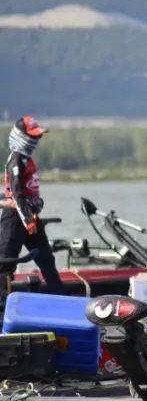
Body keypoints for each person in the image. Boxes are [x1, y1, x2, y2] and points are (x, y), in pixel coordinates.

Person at [2, 116, 64, 295]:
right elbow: (16, 193)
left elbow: (29, 191)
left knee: (46, 260)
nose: (36, 140)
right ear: (21, 136)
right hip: (15, 218)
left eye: (38, 136)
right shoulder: (15, 160)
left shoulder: (27, 159)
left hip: (30, 218)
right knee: (5, 264)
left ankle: (60, 298)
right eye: (33, 136)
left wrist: (35, 209)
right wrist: (27, 218)